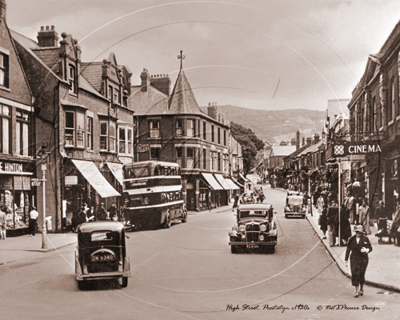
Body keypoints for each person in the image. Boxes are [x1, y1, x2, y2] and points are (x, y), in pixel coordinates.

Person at [345, 225, 373, 298]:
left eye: (360, 232)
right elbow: (348, 250)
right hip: (354, 258)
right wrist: (346, 260)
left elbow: (370, 248)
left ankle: (361, 288)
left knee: (361, 273)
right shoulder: (351, 239)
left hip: (363, 259)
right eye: (357, 232)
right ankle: (356, 291)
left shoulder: (365, 239)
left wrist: (367, 250)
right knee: (354, 274)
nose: (358, 233)